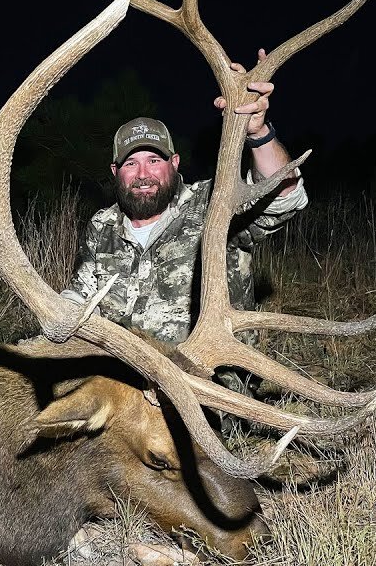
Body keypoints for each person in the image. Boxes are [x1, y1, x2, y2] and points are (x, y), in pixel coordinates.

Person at [60, 52, 306, 396]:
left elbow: (284, 199)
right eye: (131, 163)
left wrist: (259, 133)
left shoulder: (214, 203)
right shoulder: (102, 226)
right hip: (125, 384)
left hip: (205, 386)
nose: (143, 175)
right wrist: (55, 324)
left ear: (174, 163)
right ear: (116, 173)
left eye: (154, 160)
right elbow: (80, 295)